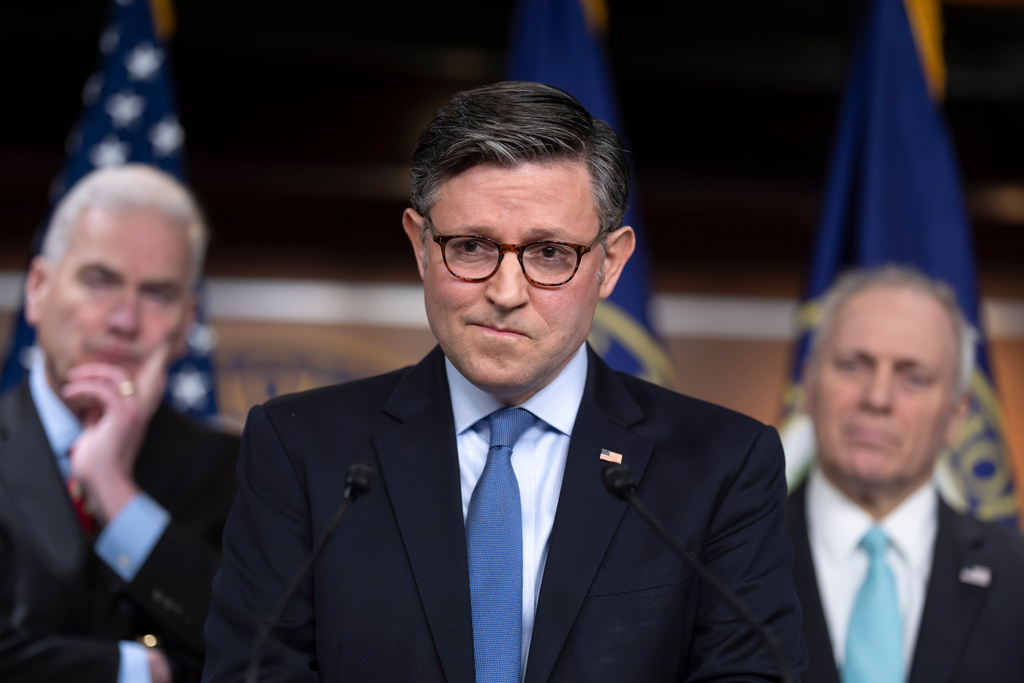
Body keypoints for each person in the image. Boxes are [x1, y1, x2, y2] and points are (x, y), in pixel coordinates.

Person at [203, 81, 807, 682]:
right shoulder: (301, 446)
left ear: (610, 264)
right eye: (471, 247)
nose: (506, 293)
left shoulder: (723, 464)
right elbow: (252, 673)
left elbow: (749, 674)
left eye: (549, 254)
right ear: (420, 246)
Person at [0, 164, 240, 683]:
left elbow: (255, 645)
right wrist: (134, 669)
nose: (124, 320)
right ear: (38, 289)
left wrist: (114, 491)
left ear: (185, 324)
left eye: (157, 293)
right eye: (99, 280)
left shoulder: (239, 469)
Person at [786, 265, 1024, 683]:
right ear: (808, 385)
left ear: (956, 415)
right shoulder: (721, 561)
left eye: (914, 377)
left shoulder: (1016, 576)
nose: (877, 398)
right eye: (852, 365)